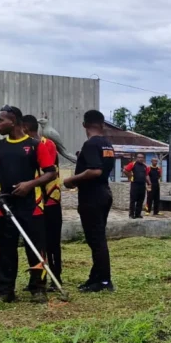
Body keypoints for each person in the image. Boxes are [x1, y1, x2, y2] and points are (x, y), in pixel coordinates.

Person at [0, 105, 58, 303]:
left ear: (13, 121)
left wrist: (30, 184)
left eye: (0, 120)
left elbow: (51, 172)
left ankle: (38, 288)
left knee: (35, 248)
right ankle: (5, 291)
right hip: (5, 207)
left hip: (32, 206)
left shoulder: (35, 145)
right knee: (5, 250)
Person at [64, 110, 116, 292]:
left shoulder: (91, 144)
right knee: (96, 238)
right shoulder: (107, 144)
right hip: (103, 193)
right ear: (102, 125)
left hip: (92, 196)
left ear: (84, 124)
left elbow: (95, 171)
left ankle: (103, 281)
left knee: (96, 240)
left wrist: (72, 180)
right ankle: (95, 277)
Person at [22, 115, 63, 286]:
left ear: (25, 128)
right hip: (33, 201)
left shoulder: (47, 145)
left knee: (51, 242)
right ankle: (38, 278)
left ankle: (55, 277)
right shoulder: (25, 146)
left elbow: (46, 171)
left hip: (49, 200)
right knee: (35, 242)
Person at [123, 153, 147, 219]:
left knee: (140, 200)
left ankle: (137, 214)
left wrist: (149, 183)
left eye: (142, 157)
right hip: (135, 185)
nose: (140, 158)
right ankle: (131, 214)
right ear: (136, 158)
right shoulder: (132, 164)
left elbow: (147, 175)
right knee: (133, 200)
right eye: (139, 157)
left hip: (142, 185)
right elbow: (125, 170)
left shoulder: (144, 166)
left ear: (143, 158)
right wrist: (129, 177)